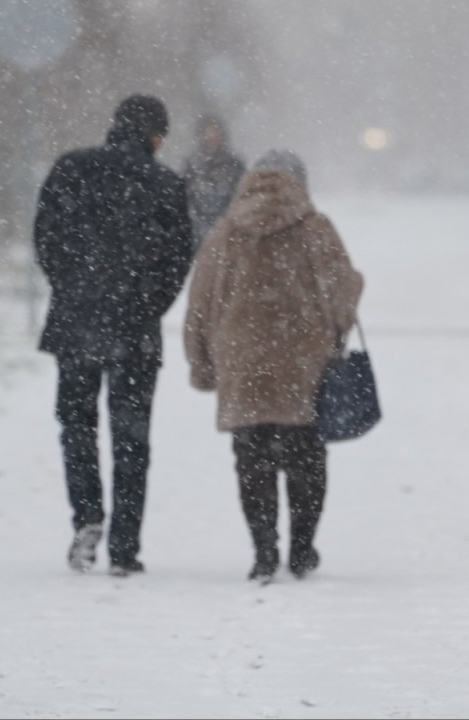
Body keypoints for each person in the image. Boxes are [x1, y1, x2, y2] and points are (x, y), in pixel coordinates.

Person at [183, 150, 363, 584]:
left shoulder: (225, 233)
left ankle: (264, 550)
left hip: (242, 364)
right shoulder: (315, 229)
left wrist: (202, 363)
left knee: (252, 460)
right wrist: (337, 326)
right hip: (304, 363)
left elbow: (200, 306)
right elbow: (343, 293)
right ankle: (301, 549)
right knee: (307, 460)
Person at [33, 94, 194, 576]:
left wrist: (72, 288)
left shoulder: (70, 168)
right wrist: (147, 306)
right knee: (131, 437)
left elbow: (46, 239)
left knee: (77, 426)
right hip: (135, 332)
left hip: (76, 324)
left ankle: (86, 518)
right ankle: (125, 545)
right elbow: (178, 260)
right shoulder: (165, 184)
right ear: (157, 136)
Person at [182, 113, 247, 248]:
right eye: (207, 132)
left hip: (229, 229)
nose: (211, 137)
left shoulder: (234, 163)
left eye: (215, 132)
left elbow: (242, 194)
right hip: (197, 230)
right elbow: (185, 195)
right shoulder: (192, 164)